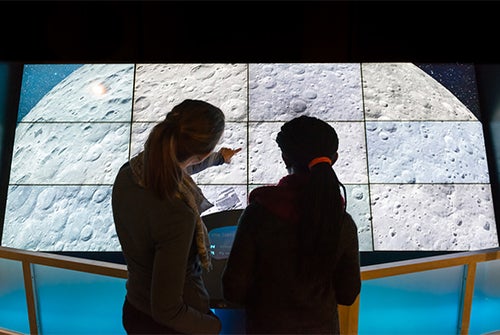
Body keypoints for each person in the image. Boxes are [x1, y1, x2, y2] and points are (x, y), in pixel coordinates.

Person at [221, 115, 362, 334]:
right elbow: (347, 293)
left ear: (285, 158)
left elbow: (233, 289)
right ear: (333, 158)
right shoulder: (342, 222)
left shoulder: (259, 214)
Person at [112, 99, 239, 334]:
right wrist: (215, 327)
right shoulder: (178, 213)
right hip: (177, 325)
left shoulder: (130, 172)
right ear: (200, 154)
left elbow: (176, 166)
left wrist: (219, 158)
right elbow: (167, 309)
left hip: (135, 310)